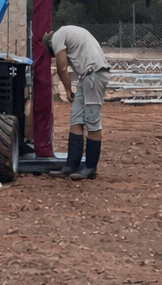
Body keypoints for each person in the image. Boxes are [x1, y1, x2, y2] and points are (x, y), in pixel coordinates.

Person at [43, 27, 111, 180]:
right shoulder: (68, 32)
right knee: (76, 118)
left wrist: (67, 89)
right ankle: (71, 165)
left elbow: (61, 65)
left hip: (94, 73)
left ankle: (90, 167)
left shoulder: (57, 37)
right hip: (87, 75)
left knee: (92, 121)